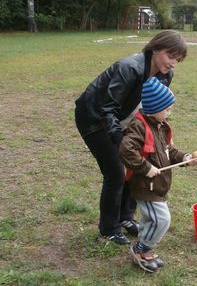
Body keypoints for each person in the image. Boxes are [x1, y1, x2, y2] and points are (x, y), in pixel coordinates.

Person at [74, 31, 187, 245]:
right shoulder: (130, 68)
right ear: (155, 49)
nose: (173, 63)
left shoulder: (165, 75)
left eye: (177, 59)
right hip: (94, 117)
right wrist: (122, 144)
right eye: (170, 56)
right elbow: (108, 109)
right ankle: (109, 228)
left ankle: (126, 218)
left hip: (124, 119)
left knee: (135, 168)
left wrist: (157, 134)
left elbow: (154, 109)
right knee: (116, 172)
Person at [119, 77, 197, 273]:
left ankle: (144, 249)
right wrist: (145, 167)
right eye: (167, 109)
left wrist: (187, 158)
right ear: (154, 108)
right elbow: (125, 150)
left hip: (158, 184)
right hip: (145, 185)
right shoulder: (139, 126)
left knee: (151, 220)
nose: (169, 113)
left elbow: (169, 152)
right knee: (162, 220)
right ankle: (141, 249)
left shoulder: (161, 126)